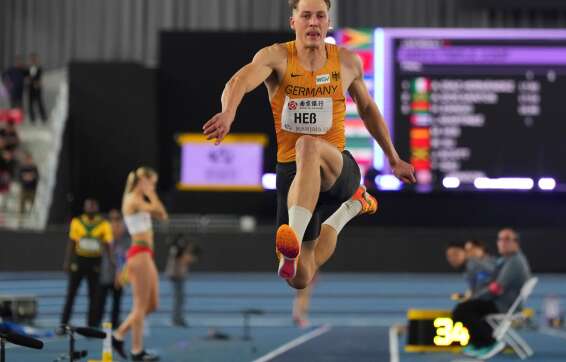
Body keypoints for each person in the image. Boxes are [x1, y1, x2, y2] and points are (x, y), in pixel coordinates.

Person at [202, 0, 415, 289]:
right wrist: (228, 113)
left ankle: (292, 238)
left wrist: (393, 157)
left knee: (308, 145)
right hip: (293, 176)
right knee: (301, 277)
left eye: (320, 16)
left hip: (337, 168)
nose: (313, 23)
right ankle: (351, 208)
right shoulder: (276, 57)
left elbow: (367, 109)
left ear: (328, 23)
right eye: (306, 16)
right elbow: (238, 81)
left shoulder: (347, 61)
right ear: (294, 23)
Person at [112, 167, 167, 361]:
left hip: (146, 255)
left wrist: (150, 193)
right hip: (139, 254)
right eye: (151, 182)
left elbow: (162, 214)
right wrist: (151, 193)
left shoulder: (139, 200)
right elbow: (161, 213)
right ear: (142, 180)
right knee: (140, 305)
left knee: (152, 304)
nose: (152, 187)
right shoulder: (132, 200)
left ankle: (118, 335)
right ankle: (137, 351)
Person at [452, 228, 531, 359]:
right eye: (500, 239)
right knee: (468, 308)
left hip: (504, 305)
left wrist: (475, 297)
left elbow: (496, 288)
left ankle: (489, 342)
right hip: (502, 301)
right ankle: (478, 343)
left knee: (462, 310)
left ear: (516, 243)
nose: (501, 243)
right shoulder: (508, 259)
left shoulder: (514, 261)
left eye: (506, 239)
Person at [60, 198, 114, 329]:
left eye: (93, 206)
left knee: (94, 296)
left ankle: (91, 324)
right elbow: (71, 243)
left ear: (97, 208)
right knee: (71, 294)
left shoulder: (104, 224)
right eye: (88, 205)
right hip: (79, 261)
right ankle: (63, 323)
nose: (91, 208)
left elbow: (108, 244)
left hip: (95, 262)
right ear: (84, 207)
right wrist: (67, 261)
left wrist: (112, 261)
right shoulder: (77, 222)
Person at [97, 209, 128, 329]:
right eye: (112, 219)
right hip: (105, 274)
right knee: (101, 300)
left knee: (117, 300)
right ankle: (98, 321)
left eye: (117, 219)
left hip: (119, 275)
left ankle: (115, 322)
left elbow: (124, 258)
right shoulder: (104, 236)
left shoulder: (126, 240)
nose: (114, 222)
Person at [165, 234, 199, 327]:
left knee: (179, 299)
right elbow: (185, 259)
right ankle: (176, 319)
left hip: (176, 275)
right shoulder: (178, 250)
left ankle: (177, 318)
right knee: (178, 299)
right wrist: (191, 252)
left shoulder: (176, 249)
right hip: (176, 276)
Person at [26, 53, 47, 123]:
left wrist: (38, 83)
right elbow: (27, 78)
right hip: (30, 89)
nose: (33, 61)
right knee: (30, 104)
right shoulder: (28, 69)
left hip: (37, 89)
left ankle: (44, 118)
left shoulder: (39, 68)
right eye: (32, 59)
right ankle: (32, 119)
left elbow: (40, 78)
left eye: (35, 59)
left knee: (40, 103)